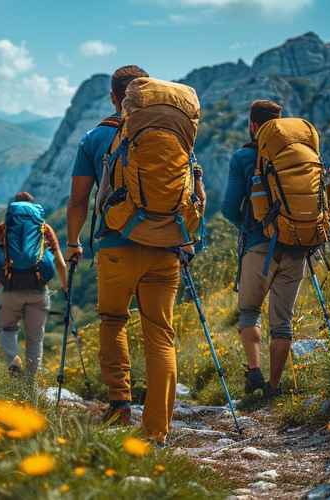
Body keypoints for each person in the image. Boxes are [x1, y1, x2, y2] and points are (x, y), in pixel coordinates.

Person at [66, 66, 206, 444]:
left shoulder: (96, 138)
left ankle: (120, 404)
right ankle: (157, 431)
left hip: (116, 246)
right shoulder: (170, 132)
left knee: (112, 321)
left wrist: (74, 242)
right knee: (160, 335)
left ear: (115, 97)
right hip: (166, 246)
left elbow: (79, 200)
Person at [222, 100, 306, 398]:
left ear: (253, 125)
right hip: (297, 247)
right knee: (282, 323)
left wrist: (248, 224)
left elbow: (229, 208)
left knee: (249, 312)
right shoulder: (298, 154)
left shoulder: (243, 157)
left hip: (259, 247)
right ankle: (274, 387)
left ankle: (254, 373)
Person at [0, 192, 68, 382]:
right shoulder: (43, 228)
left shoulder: (3, 228)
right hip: (38, 290)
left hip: (10, 289)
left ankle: (13, 360)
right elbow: (60, 263)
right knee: (35, 337)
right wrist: (65, 286)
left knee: (6, 328)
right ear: (33, 207)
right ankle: (30, 381)